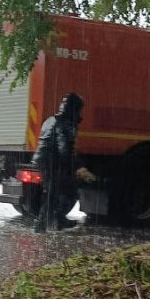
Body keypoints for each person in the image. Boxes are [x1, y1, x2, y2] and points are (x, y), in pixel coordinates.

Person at [32, 92, 86, 232]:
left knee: (50, 194)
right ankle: (57, 220)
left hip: (43, 160)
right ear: (75, 109)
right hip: (52, 162)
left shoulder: (51, 120)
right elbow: (65, 149)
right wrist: (76, 167)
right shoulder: (66, 123)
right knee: (69, 191)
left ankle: (42, 226)